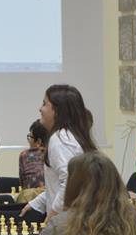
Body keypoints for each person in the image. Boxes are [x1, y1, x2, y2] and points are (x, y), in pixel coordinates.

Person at [21, 85, 97, 221]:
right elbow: (58, 184)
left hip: (67, 223)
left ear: (57, 110)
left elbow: (68, 183)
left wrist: (52, 216)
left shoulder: (59, 140)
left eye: (44, 104)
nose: (40, 109)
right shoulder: (71, 136)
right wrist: (37, 203)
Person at [18, 120, 48, 191]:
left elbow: (23, 184)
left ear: (38, 142)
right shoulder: (53, 151)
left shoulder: (24, 155)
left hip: (30, 195)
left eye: (30, 137)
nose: (29, 140)